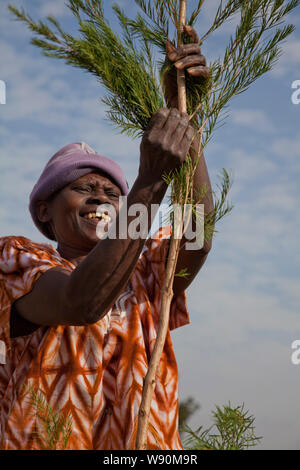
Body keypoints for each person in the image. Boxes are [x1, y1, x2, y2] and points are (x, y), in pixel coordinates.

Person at [0, 27, 213, 450]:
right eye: (83, 187)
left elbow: (198, 234)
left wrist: (184, 121)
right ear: (45, 211)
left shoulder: (147, 269)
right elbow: (81, 302)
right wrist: (149, 182)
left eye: (113, 192)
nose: (101, 195)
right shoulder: (16, 260)